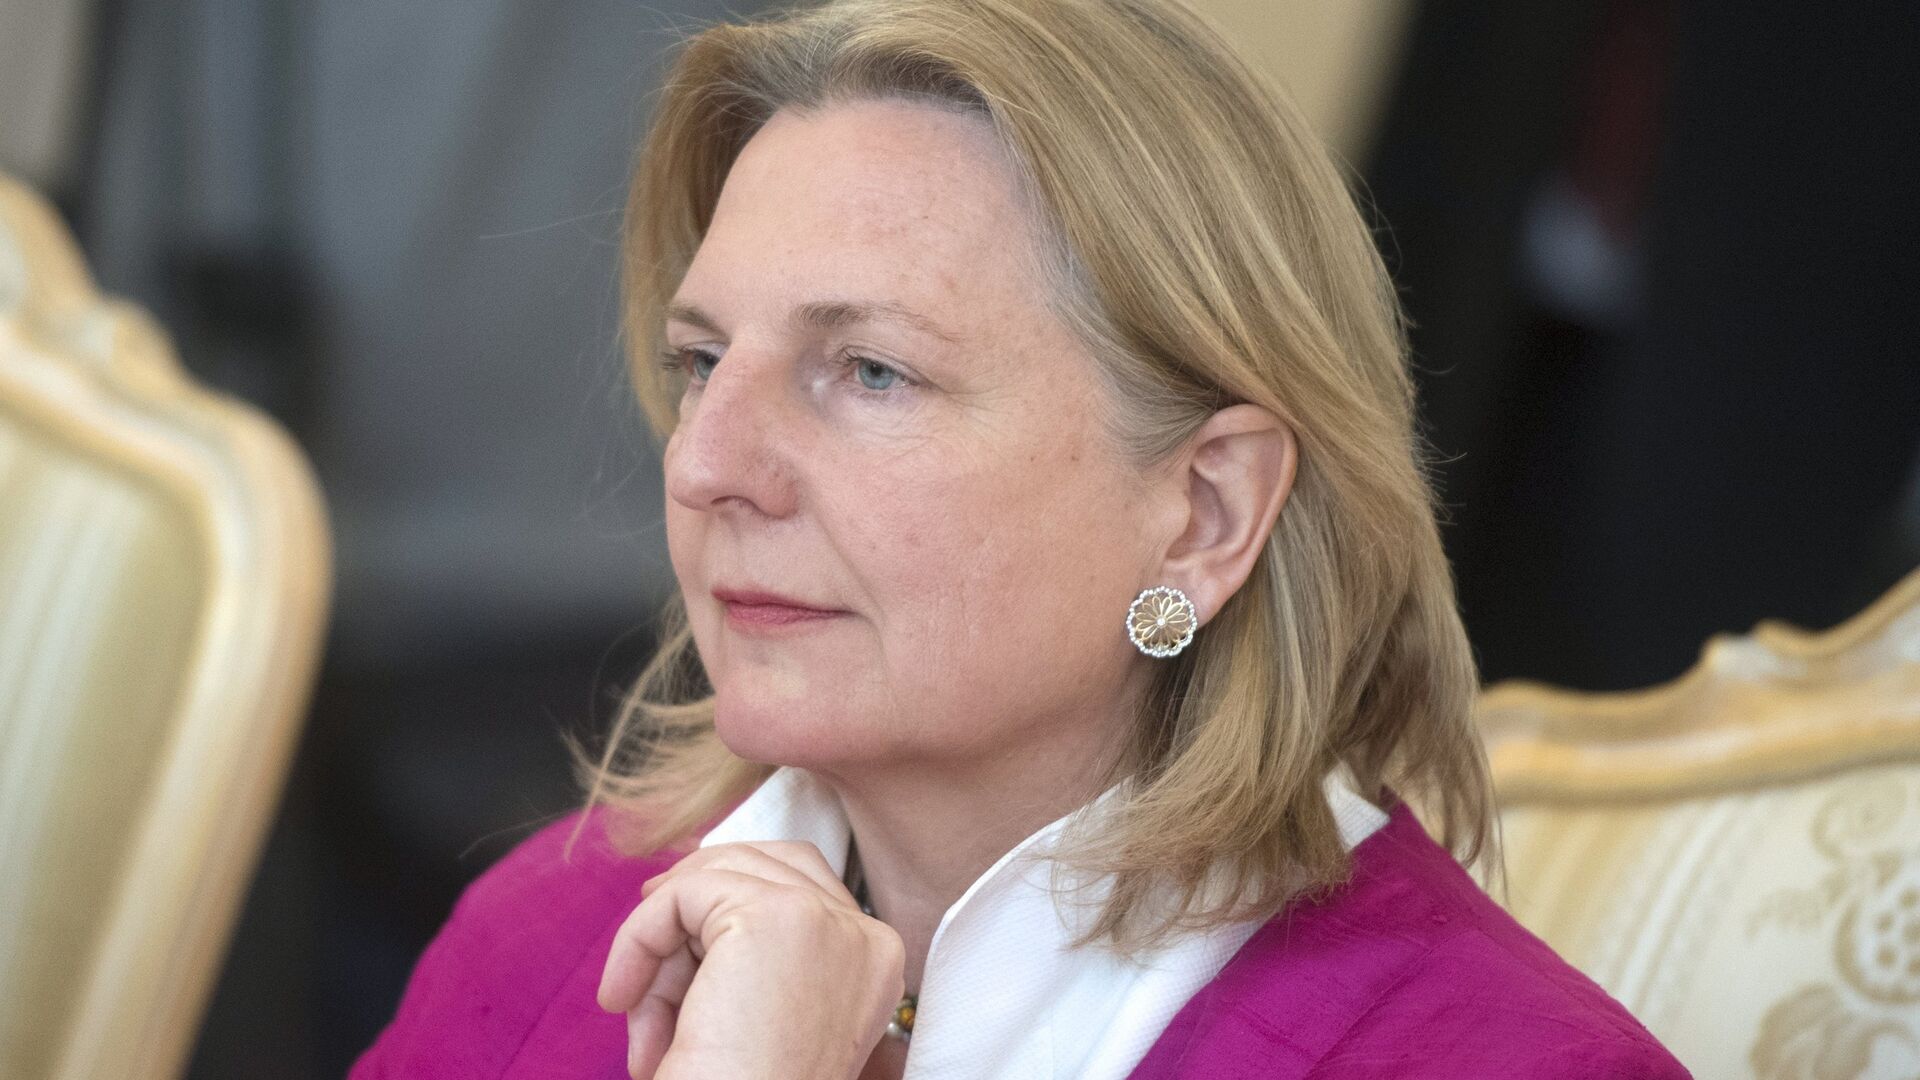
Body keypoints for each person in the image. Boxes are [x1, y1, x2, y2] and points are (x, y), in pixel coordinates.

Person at [350, 0, 1692, 1076]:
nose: (705, 468)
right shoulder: (554, 933)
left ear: (1206, 513)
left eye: (871, 372)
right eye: (702, 363)